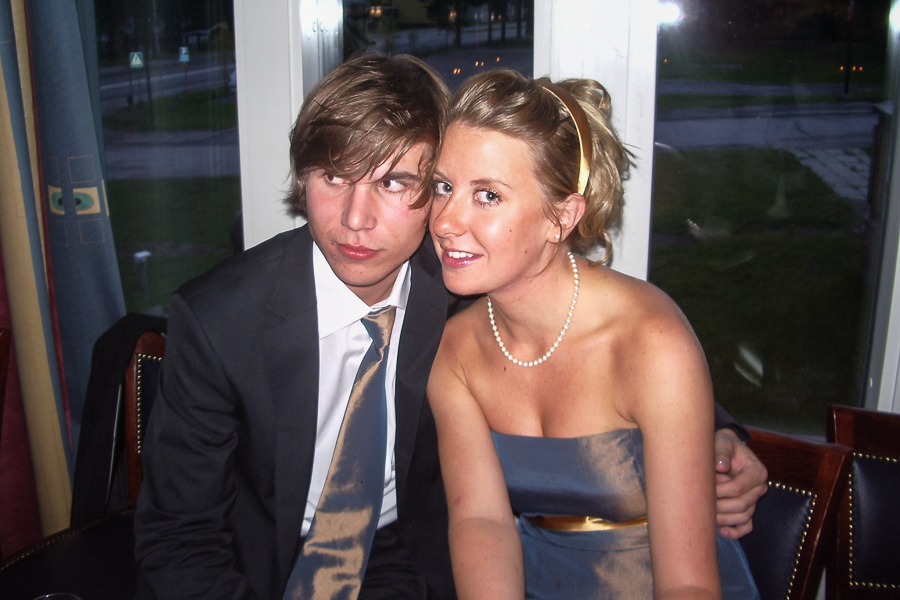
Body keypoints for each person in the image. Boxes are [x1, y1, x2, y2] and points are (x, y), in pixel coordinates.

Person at [134, 54, 763, 600]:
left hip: (414, 562)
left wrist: (718, 432)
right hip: (268, 568)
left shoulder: (460, 276)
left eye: (395, 182)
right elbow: (179, 536)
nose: (356, 219)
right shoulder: (221, 323)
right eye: (334, 177)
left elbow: (605, 346)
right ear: (303, 176)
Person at [427, 69, 761, 599]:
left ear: (561, 217)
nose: (445, 221)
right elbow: (481, 522)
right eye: (443, 187)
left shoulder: (652, 343)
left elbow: (688, 582)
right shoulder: (454, 351)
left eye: (487, 195)